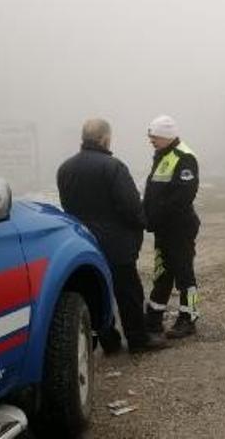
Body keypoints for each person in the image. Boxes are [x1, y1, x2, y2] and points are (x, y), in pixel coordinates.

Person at [57, 118, 168, 353]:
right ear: (105, 138)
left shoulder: (65, 168)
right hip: (116, 243)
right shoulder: (113, 166)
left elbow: (67, 206)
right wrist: (141, 223)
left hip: (83, 242)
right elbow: (130, 206)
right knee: (128, 292)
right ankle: (138, 339)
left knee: (96, 293)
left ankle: (109, 341)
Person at [142, 115, 201, 339]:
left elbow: (184, 195)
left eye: (154, 136)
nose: (151, 140)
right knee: (162, 273)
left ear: (166, 135)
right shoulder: (162, 155)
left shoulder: (184, 156)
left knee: (184, 273)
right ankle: (154, 319)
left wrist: (158, 214)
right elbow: (155, 192)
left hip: (179, 227)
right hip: (162, 228)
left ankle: (189, 318)